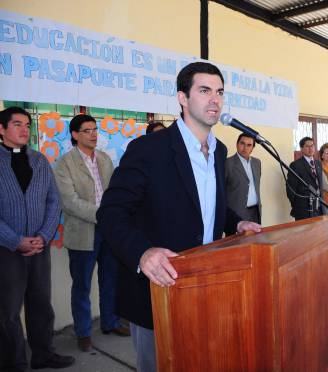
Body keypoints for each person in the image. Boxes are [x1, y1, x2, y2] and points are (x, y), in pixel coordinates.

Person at [96, 62, 261, 372]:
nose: (215, 100)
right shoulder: (148, 149)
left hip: (208, 285)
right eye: (204, 91)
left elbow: (208, 206)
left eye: (220, 92)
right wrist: (142, 253)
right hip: (159, 289)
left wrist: (236, 223)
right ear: (183, 98)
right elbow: (111, 212)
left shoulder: (218, 149)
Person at [0, 107, 75, 370]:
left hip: (39, 247)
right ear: (1, 129)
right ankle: (14, 362)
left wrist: (43, 235)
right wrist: (14, 240)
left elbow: (54, 201)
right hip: (7, 250)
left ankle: (43, 354)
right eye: (17, 124)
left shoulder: (40, 160)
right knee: (8, 311)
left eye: (27, 125)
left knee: (41, 303)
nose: (24, 129)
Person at [54, 114, 129, 352]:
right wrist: (103, 214)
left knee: (110, 279)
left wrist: (113, 216)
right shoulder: (65, 164)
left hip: (108, 232)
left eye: (95, 130)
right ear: (75, 135)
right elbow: (69, 202)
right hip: (82, 233)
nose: (94, 134)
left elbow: (115, 192)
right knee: (82, 286)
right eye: (87, 130)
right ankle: (83, 332)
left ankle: (110, 321)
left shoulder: (105, 160)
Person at [225, 133, 262, 233]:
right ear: (237, 144)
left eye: (249, 145)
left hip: (255, 212)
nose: (245, 148)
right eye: (242, 143)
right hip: (236, 213)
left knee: (256, 242)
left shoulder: (257, 163)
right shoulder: (227, 163)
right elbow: (221, 191)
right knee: (236, 246)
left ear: (252, 148)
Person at [287, 137, 323, 220]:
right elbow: (290, 189)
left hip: (318, 206)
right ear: (301, 149)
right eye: (307, 146)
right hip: (303, 208)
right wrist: (298, 204)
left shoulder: (318, 163)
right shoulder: (296, 165)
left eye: (312, 146)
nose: (310, 148)